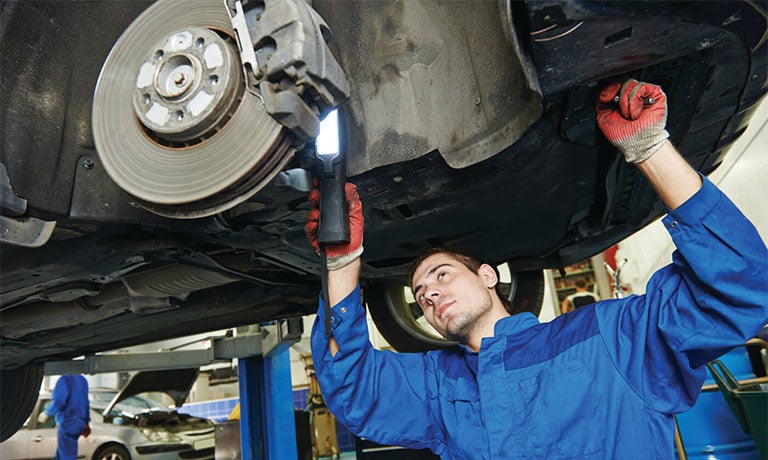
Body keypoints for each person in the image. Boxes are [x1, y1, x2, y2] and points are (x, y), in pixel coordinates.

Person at [304, 79, 768, 458]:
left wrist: (649, 148)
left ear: (489, 275)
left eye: (442, 274)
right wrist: (342, 263)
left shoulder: (609, 338)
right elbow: (354, 389)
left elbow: (736, 289)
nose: (429, 294)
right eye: (420, 294)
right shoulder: (439, 387)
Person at [38, 374, 91, 460]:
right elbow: (86, 402)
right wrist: (86, 422)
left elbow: (59, 401)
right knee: (62, 453)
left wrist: (47, 413)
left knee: (67, 455)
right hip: (79, 422)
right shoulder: (82, 380)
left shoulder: (65, 379)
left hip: (68, 422)